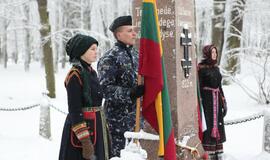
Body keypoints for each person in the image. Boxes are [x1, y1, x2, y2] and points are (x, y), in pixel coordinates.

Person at [97, 15, 144, 157]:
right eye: (130, 31)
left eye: (134, 30)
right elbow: (105, 89)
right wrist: (130, 93)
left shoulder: (137, 55)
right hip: (118, 122)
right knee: (118, 156)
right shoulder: (109, 58)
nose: (134, 34)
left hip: (137, 119)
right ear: (118, 34)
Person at [59, 34, 110, 160]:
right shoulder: (75, 75)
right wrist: (85, 141)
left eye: (96, 48)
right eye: (92, 49)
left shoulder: (91, 72)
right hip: (82, 133)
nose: (96, 52)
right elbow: (75, 111)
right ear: (81, 51)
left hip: (97, 128)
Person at [198, 44, 227, 160]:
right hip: (207, 102)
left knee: (217, 126)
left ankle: (216, 152)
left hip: (216, 101)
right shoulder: (201, 68)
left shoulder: (216, 68)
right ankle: (208, 152)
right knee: (209, 126)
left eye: (215, 52)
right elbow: (199, 87)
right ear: (207, 54)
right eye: (212, 52)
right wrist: (200, 103)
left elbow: (219, 86)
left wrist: (224, 101)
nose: (214, 54)